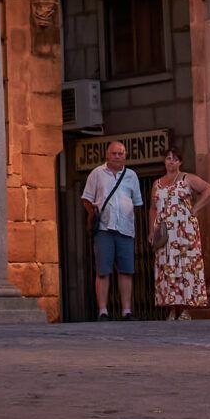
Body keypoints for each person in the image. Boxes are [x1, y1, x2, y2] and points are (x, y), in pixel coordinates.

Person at [80, 138, 145, 321]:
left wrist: (128, 215)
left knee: (126, 270)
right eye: (114, 153)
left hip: (125, 228)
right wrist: (93, 212)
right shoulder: (97, 173)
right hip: (104, 228)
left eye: (121, 153)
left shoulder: (131, 176)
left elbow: (138, 202)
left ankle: (126, 310)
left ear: (125, 156)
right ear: (107, 155)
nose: (117, 156)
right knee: (103, 270)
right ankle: (103, 311)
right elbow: (86, 198)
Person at [150, 147, 210, 320]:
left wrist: (194, 210)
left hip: (184, 229)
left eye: (175, 159)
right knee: (168, 266)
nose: (171, 161)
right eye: (168, 158)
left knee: (186, 266)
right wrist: (152, 230)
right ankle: (172, 308)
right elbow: (153, 208)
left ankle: (186, 308)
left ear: (180, 162)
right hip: (165, 231)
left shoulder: (187, 178)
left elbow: (209, 190)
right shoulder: (157, 184)